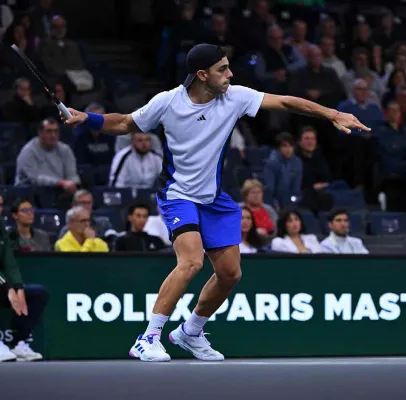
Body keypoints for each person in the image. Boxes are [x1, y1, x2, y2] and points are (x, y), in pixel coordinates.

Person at [63, 43, 368, 363]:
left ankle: (190, 332)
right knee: (191, 262)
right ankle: (148, 337)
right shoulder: (167, 102)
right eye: (222, 69)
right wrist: (89, 118)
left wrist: (332, 113)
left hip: (214, 198)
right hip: (178, 194)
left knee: (230, 273)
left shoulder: (235, 96)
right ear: (201, 75)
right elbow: (125, 123)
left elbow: (286, 102)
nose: (230, 74)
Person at [0, 218, 48, 362]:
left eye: (1, 205)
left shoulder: (1, 230)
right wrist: (8, 288)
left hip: (3, 284)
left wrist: (18, 287)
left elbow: (10, 264)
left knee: (38, 294)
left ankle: (17, 342)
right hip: (2, 284)